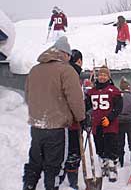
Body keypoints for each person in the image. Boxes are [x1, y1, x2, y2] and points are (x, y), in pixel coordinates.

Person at [23, 36, 85, 190]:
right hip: (56, 127)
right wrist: (81, 118)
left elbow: (27, 96)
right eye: (69, 56)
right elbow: (75, 99)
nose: (69, 59)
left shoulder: (34, 69)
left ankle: (28, 186)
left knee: (35, 162)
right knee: (54, 166)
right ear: (64, 54)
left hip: (37, 126)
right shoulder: (66, 70)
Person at [85, 65, 123, 182]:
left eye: (104, 75)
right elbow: (87, 107)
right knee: (100, 148)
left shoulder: (114, 90)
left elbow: (118, 108)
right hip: (97, 125)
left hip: (110, 125)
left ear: (108, 77)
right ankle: (104, 166)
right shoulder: (92, 91)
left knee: (111, 147)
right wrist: (86, 118)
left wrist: (110, 118)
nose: (102, 77)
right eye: (100, 74)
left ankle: (113, 170)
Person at [59, 49, 83, 190]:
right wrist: (81, 116)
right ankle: (71, 183)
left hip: (59, 123)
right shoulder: (73, 75)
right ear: (79, 61)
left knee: (64, 152)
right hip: (72, 123)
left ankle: (61, 179)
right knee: (73, 154)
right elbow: (75, 100)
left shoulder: (62, 73)